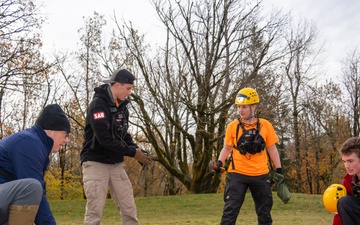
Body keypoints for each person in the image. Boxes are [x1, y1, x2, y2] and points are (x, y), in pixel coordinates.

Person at [80, 68, 152, 225]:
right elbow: (104, 139)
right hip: (95, 163)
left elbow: (122, 135)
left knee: (129, 208)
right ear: (118, 85)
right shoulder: (97, 105)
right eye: (128, 88)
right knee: (95, 211)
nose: (129, 92)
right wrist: (132, 153)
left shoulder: (122, 107)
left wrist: (137, 150)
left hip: (116, 164)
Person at [215, 87, 283, 225]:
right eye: (238, 107)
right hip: (237, 174)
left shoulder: (265, 125)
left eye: (244, 107)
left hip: (260, 174)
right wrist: (219, 162)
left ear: (254, 106)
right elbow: (227, 147)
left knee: (264, 214)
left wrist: (279, 170)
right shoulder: (232, 126)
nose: (240, 110)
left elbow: (272, 149)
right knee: (230, 211)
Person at [0, 104, 71, 225]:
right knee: (31, 187)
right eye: (65, 134)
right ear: (50, 130)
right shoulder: (29, 143)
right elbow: (36, 192)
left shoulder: (34, 142)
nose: (66, 140)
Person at [331, 137, 360, 225]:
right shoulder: (349, 180)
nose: (346, 166)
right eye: (344, 161)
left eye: (350, 161)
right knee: (344, 202)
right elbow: (342, 212)